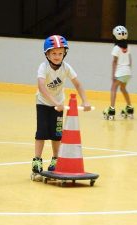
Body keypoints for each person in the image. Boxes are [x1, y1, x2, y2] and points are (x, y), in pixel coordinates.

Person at [32, 35, 91, 175]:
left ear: (64, 53)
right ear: (47, 54)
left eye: (60, 53)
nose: (57, 56)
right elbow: (41, 86)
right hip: (43, 103)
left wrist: (85, 100)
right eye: (54, 53)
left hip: (58, 104)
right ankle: (37, 159)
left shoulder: (66, 67)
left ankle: (55, 159)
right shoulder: (43, 67)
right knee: (41, 133)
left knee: (57, 134)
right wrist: (54, 103)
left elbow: (78, 84)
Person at [103, 25, 134, 120]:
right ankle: (129, 108)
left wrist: (113, 74)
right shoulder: (128, 47)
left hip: (120, 72)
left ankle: (111, 109)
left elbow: (115, 61)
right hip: (127, 72)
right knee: (123, 89)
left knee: (113, 89)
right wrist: (128, 70)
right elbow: (130, 60)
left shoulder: (116, 48)